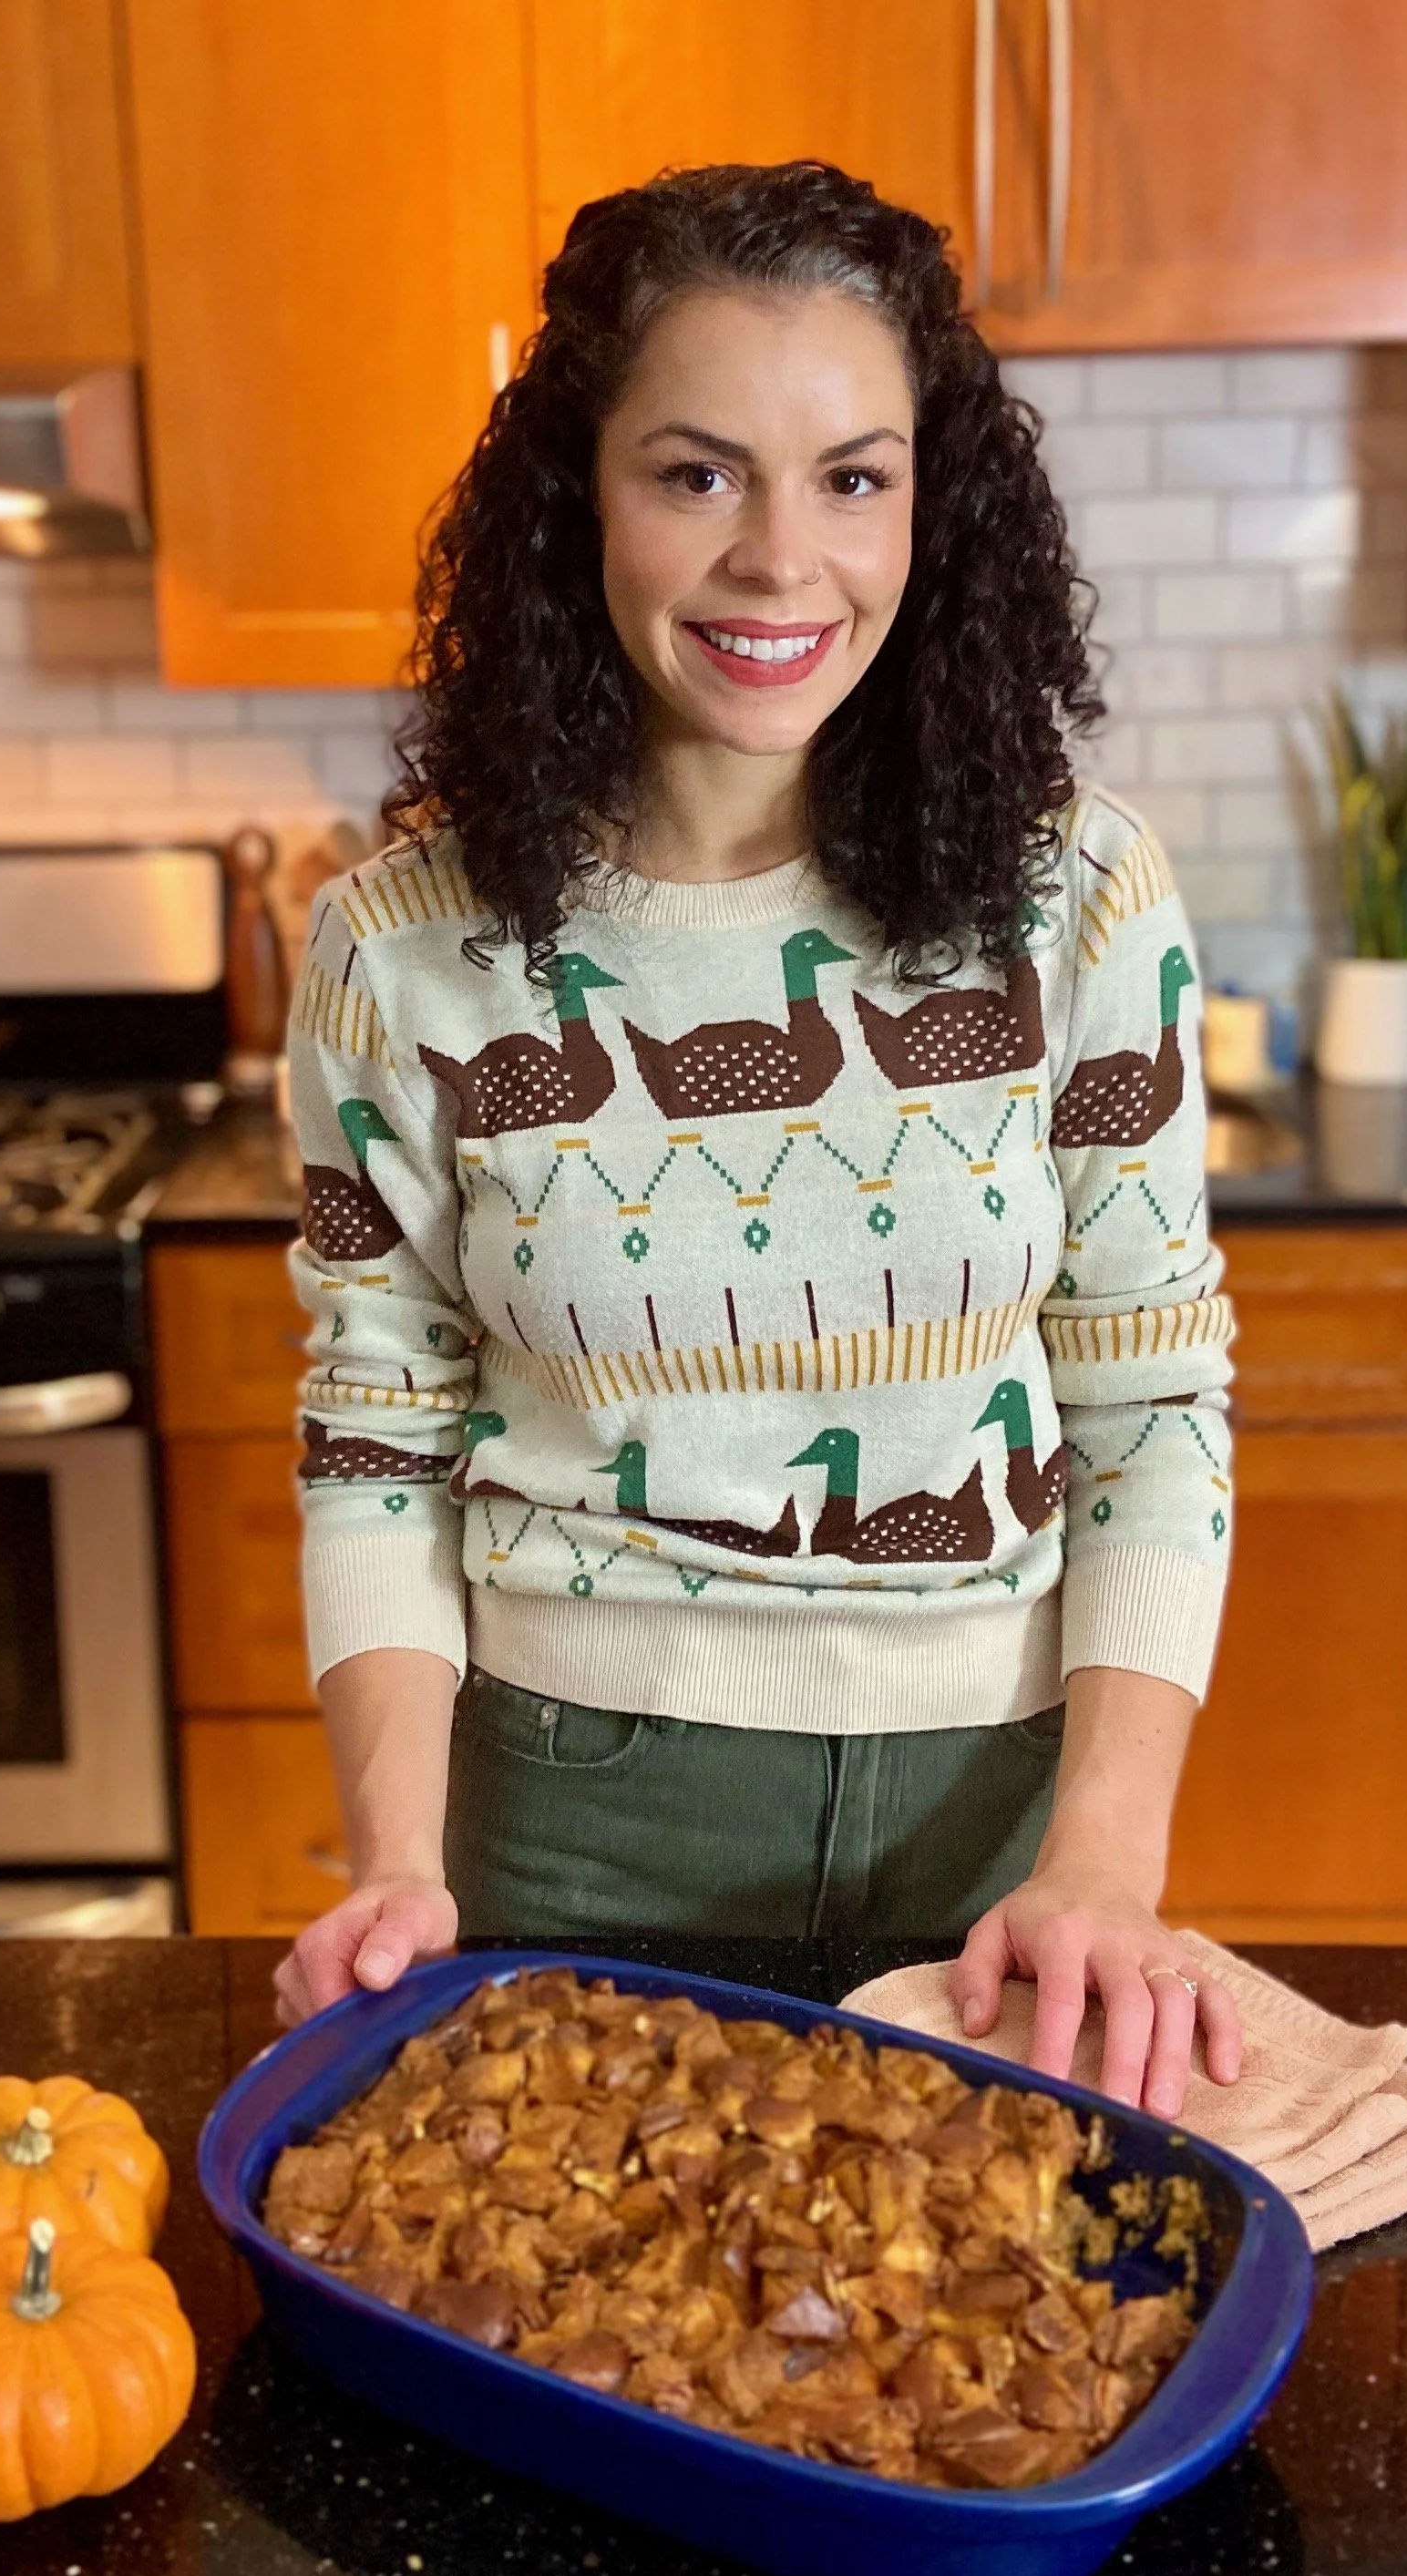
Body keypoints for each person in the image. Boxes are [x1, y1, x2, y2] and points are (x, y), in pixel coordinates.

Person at [272, 161, 1242, 2119]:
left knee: (951, 2357)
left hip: (1001, 1811)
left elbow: (1152, 1398)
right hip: (563, 1797)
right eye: (695, 473)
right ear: (579, 498)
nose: (779, 560)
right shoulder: (401, 949)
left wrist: (1103, 1868)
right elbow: (375, 1424)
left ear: (929, 505)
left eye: (851, 477)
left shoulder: (1077, 900)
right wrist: (395, 1858)